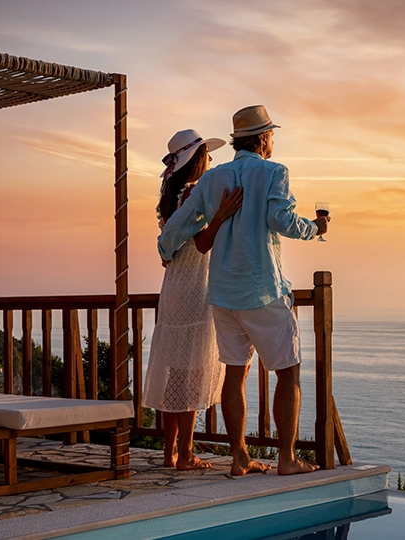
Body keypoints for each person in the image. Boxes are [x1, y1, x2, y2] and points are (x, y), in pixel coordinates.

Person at [158, 105, 329, 476]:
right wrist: (316, 228)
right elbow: (280, 220)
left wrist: (165, 251)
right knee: (287, 372)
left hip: (222, 293)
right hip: (263, 287)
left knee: (235, 373)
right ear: (264, 138)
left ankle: (239, 457)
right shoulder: (273, 173)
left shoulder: (212, 178)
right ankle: (286, 459)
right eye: (272, 136)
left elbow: (177, 225)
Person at [142, 128, 243, 470]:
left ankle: (171, 451)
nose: (212, 160)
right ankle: (185, 454)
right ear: (198, 159)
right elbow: (202, 244)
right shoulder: (194, 194)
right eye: (208, 155)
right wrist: (222, 215)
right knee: (191, 372)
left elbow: (172, 244)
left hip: (173, 284)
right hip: (195, 285)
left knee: (174, 370)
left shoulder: (172, 193)